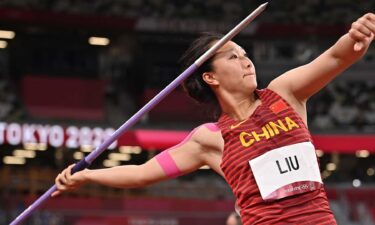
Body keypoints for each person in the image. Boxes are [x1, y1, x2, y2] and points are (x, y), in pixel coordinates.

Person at [53, 13, 375, 224]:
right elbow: (142, 173)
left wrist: (355, 38)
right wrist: (86, 177)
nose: (247, 62)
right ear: (211, 77)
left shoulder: (285, 93)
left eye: (246, 54)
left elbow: (336, 56)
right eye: (233, 57)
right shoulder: (209, 140)